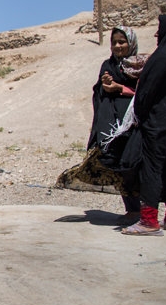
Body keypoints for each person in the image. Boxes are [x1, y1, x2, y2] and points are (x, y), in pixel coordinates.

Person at [56, 26, 147, 221]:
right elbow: (99, 93)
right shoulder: (108, 65)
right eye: (114, 42)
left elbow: (144, 93)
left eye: (121, 42)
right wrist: (104, 86)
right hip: (113, 127)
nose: (117, 46)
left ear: (130, 43)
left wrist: (120, 88)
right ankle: (132, 209)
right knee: (117, 164)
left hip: (134, 124)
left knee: (136, 165)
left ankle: (147, 211)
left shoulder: (141, 66)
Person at [117, 14, 166, 236]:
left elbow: (147, 92)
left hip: (160, 120)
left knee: (153, 167)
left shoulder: (161, 57)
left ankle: (149, 220)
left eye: (160, 29)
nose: (156, 33)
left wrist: (140, 115)